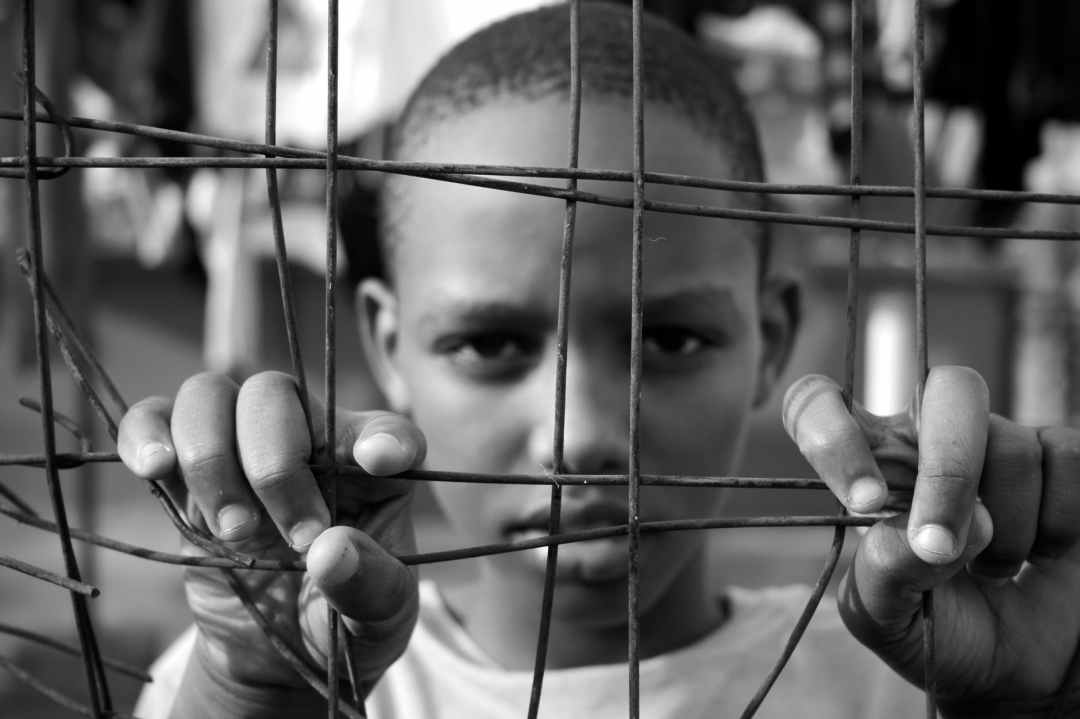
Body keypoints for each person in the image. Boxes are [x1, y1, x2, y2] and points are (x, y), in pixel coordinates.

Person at [120, 4, 1080, 718]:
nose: (578, 436)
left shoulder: (908, 680)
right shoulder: (248, 672)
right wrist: (252, 694)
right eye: (490, 344)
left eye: (668, 340)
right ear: (386, 343)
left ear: (771, 339)